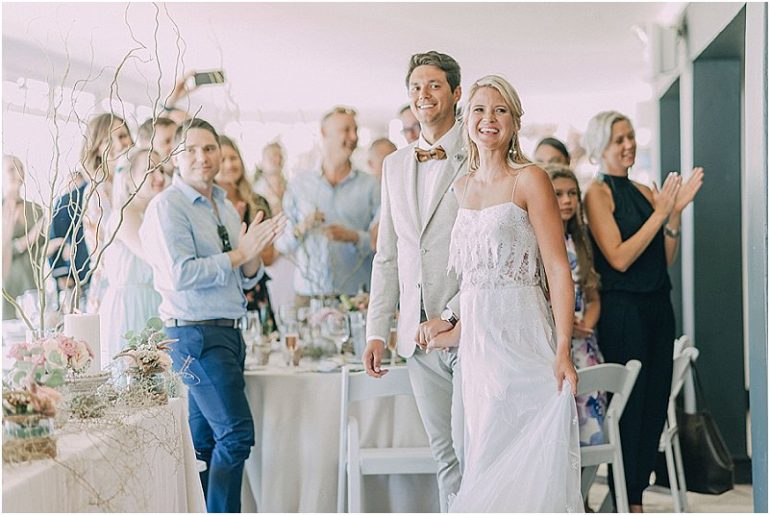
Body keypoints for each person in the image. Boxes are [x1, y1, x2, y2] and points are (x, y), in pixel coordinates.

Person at [421, 74, 581, 512]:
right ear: (467, 119)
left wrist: (563, 348)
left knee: (526, 463)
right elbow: (475, 282)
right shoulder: (461, 187)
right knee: (483, 460)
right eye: (479, 110)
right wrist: (452, 329)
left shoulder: (530, 179)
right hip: (479, 353)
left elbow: (556, 268)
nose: (488, 118)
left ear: (514, 121)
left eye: (500, 110)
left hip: (525, 340)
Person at [140, 118, 286, 512]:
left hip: (230, 332)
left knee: (204, 445)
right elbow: (181, 274)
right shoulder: (168, 206)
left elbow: (245, 274)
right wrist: (239, 254)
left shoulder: (223, 204)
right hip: (195, 334)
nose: (201, 157)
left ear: (220, 152)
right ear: (175, 157)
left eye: (209, 148)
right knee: (236, 436)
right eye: (190, 150)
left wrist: (252, 252)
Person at [583, 110, 703, 512]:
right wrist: (660, 213)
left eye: (631, 136)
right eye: (619, 139)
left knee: (654, 406)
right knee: (630, 409)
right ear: (600, 146)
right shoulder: (597, 193)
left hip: (658, 306)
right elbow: (618, 258)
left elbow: (663, 257)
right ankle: (625, 500)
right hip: (623, 312)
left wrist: (675, 215)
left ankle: (635, 497)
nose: (628, 145)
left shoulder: (645, 192)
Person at [364, 51, 466, 512]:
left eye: (434, 85)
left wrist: (453, 315)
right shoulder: (394, 164)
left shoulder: (479, 153)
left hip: (467, 327)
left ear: (456, 93)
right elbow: (387, 255)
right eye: (415, 87)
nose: (423, 95)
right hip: (417, 339)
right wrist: (377, 329)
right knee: (445, 456)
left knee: (475, 449)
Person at [275, 106, 379, 304]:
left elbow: (384, 243)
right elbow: (281, 245)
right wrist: (302, 227)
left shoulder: (371, 186)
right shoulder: (299, 185)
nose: (354, 137)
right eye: (346, 130)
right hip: (308, 297)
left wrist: (354, 237)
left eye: (355, 130)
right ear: (324, 133)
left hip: (357, 298)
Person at [547, 164, 607, 446]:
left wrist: (586, 324)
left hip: (584, 345)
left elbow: (593, 297)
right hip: (555, 342)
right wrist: (567, 326)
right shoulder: (541, 242)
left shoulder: (580, 242)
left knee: (590, 429)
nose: (567, 200)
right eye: (558, 194)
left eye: (572, 194)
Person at [99, 148, 168, 363]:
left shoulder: (153, 213)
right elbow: (154, 257)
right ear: (130, 178)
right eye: (150, 170)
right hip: (130, 306)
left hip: (154, 302)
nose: (160, 177)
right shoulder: (124, 214)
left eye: (162, 170)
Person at [215, 135, 278, 329]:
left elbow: (269, 257)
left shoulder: (258, 203)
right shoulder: (208, 207)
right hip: (221, 294)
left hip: (255, 292)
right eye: (222, 160)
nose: (229, 165)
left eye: (233, 158)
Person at [80, 113, 134, 313]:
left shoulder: (143, 182)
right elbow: (99, 253)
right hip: (111, 287)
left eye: (122, 136)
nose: (118, 144)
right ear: (96, 149)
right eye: (107, 140)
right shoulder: (95, 192)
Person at [2, 155, 59, 319]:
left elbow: (41, 250)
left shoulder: (36, 209)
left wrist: (59, 245)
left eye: (20, 167)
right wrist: (27, 240)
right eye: (11, 169)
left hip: (32, 284)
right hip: (8, 286)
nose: (17, 172)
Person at [366, 137, 397, 250]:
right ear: (370, 164)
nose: (392, 166)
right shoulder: (368, 190)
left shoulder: (402, 190)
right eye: (385, 162)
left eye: (395, 160)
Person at [253, 141, 287, 216]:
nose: (276, 159)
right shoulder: (257, 190)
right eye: (270, 156)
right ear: (262, 161)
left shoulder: (289, 187)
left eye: (279, 156)